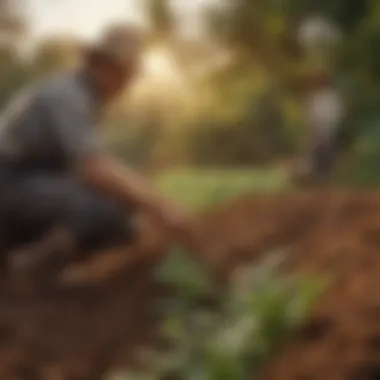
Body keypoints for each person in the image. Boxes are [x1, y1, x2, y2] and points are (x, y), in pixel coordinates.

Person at [0, 24, 191, 277]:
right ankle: (34, 268)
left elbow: (91, 167)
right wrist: (162, 207)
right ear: (104, 66)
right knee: (104, 211)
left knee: (119, 207)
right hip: (11, 181)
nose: (126, 85)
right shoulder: (68, 97)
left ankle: (35, 254)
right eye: (124, 75)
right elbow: (95, 169)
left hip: (27, 183)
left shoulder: (84, 98)